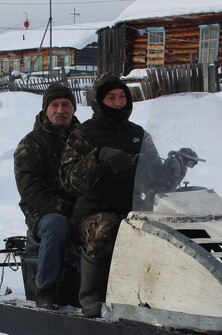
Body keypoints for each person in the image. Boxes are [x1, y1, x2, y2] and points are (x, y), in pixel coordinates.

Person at [60, 74, 196, 317]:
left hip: (135, 206)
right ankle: (91, 296)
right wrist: (99, 158)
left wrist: (178, 163)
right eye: (111, 97)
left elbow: (156, 179)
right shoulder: (83, 134)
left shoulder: (138, 133)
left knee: (175, 227)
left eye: (122, 96)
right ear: (99, 101)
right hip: (95, 210)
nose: (118, 102)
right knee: (106, 228)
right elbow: (70, 181)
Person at [13, 84, 81, 308]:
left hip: (82, 210)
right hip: (43, 213)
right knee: (56, 225)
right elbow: (31, 190)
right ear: (45, 110)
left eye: (66, 105)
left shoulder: (85, 140)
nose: (60, 110)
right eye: (54, 105)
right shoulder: (32, 143)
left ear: (73, 109)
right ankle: (46, 289)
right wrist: (68, 213)